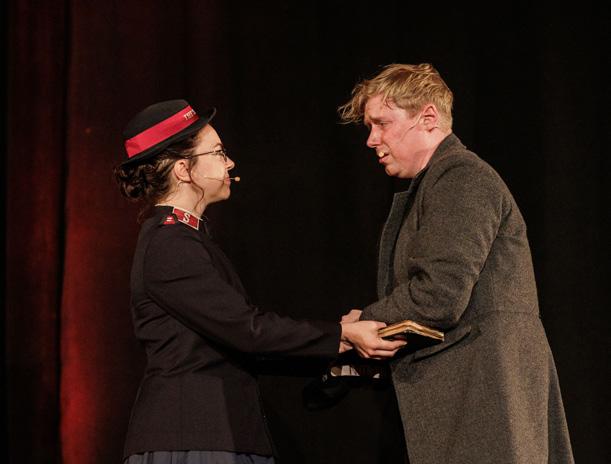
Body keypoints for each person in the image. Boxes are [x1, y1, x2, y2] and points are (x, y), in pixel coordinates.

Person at [114, 99, 406, 464]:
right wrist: (341, 335)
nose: (229, 163)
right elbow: (247, 331)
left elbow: (236, 343)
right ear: (184, 170)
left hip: (217, 435)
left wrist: (343, 347)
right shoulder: (170, 243)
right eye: (218, 153)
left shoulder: (186, 239)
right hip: (195, 439)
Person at [338, 64, 574, 463]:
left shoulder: (461, 177)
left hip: (485, 394)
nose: (372, 139)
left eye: (382, 124)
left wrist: (365, 321)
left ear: (428, 117)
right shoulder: (438, 182)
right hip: (474, 391)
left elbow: (438, 295)